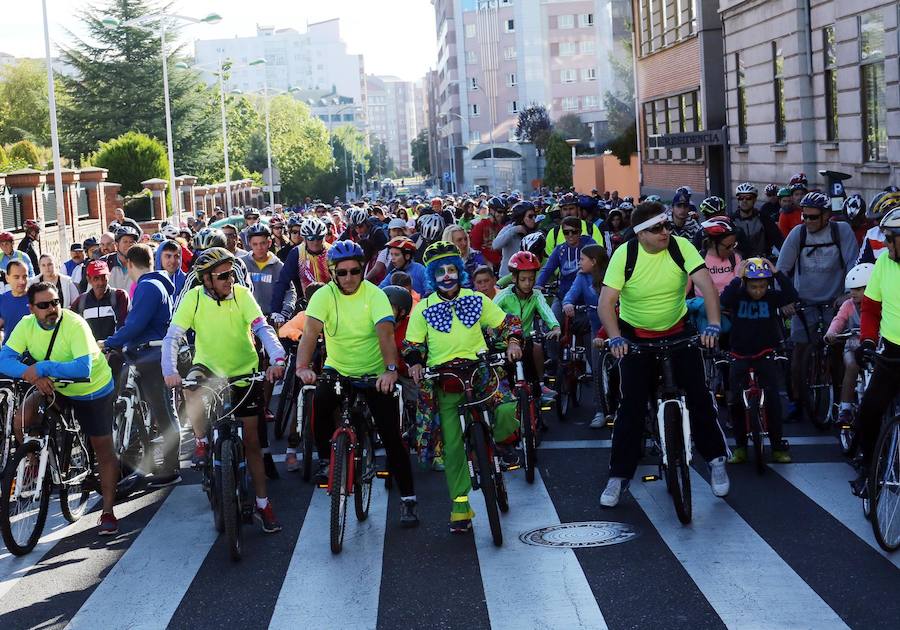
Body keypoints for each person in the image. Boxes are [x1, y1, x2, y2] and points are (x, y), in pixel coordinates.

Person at [598, 201, 730, 507]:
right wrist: (616, 338)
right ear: (641, 233)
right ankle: (618, 477)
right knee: (629, 406)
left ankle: (716, 461)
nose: (665, 232)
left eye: (667, 225)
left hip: (678, 331)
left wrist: (712, 325)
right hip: (635, 336)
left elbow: (707, 287)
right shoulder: (625, 254)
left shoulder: (681, 246)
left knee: (699, 396)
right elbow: (606, 304)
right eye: (657, 228)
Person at [161, 247, 286, 533]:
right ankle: (202, 440)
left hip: (244, 371)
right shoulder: (193, 299)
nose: (231, 279)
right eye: (224, 276)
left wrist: (277, 358)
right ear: (207, 280)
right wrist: (170, 372)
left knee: (252, 443)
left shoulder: (242, 295)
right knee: (190, 385)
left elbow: (262, 328)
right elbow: (173, 336)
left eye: (232, 273)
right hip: (208, 368)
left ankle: (264, 505)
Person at [296, 240, 419, 528]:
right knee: (320, 401)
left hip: (374, 373)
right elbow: (310, 334)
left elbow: (386, 337)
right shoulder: (323, 296)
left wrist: (390, 370)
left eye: (354, 271)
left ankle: (409, 499)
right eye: (342, 273)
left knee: (391, 436)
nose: (349, 278)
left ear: (362, 270)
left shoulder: (374, 295)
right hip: (338, 368)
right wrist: (302, 367)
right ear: (333, 272)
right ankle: (328, 458)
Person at [404, 241, 522, 533]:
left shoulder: (477, 299)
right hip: (445, 382)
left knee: (507, 409)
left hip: (481, 373)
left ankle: (502, 445)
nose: (447, 276)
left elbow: (507, 324)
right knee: (453, 448)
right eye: (440, 271)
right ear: (432, 275)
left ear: (459, 271)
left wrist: (514, 342)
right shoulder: (423, 309)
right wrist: (416, 363)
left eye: (452, 269)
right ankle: (460, 506)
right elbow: (412, 346)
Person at [0, 283, 119, 535]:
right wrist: (29, 374)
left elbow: (82, 369)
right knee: (23, 417)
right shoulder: (26, 325)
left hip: (92, 389)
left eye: (55, 303)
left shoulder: (74, 325)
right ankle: (33, 459)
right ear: (31, 308)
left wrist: (42, 368)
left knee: (103, 449)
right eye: (44, 305)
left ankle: (108, 511)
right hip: (58, 388)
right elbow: (4, 359)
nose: (52, 309)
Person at [776, 191, 858, 424]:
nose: (807, 222)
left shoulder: (841, 232)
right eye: (805, 216)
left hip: (835, 301)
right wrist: (787, 300)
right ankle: (797, 401)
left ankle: (842, 398)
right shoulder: (798, 234)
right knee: (799, 352)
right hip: (805, 300)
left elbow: (853, 264)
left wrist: (847, 295)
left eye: (813, 217)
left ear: (826, 216)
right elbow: (782, 270)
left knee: (837, 350)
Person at [103, 244, 180, 487]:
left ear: (128, 264)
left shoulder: (147, 286)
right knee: (162, 410)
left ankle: (169, 468)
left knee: (163, 412)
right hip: (153, 354)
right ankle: (160, 462)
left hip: (152, 356)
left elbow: (136, 324)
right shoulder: (157, 283)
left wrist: (111, 341)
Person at [720, 258, 797, 464]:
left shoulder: (771, 297)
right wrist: (737, 278)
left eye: (762, 286)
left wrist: (777, 273)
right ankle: (741, 447)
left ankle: (777, 446)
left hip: (765, 352)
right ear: (746, 283)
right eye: (753, 286)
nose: (758, 291)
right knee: (736, 401)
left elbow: (792, 295)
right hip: (739, 353)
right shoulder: (737, 295)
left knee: (772, 400)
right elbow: (724, 300)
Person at [850, 208, 900, 496]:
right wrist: (867, 341)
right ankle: (870, 470)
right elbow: (870, 307)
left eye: (891, 238)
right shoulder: (884, 263)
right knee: (868, 413)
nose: (886, 243)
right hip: (891, 350)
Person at [494, 251, 561, 400]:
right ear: (514, 278)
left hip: (525, 341)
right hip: (504, 344)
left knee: (533, 376)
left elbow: (546, 311)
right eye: (523, 279)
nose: (528, 283)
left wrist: (555, 327)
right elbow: (489, 315)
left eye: (531, 279)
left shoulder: (536, 296)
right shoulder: (504, 296)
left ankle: (538, 395)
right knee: (507, 380)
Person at [564, 244, 609, 427]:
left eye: (582, 259)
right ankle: (600, 411)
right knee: (597, 369)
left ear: (594, 261)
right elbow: (571, 294)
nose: (579, 262)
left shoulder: (611, 275)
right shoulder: (581, 277)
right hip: (595, 328)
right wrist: (567, 303)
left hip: (616, 327)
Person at [824, 263, 874, 428]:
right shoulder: (848, 305)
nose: (853, 293)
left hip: (873, 349)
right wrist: (832, 333)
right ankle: (845, 408)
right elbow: (839, 321)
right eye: (852, 289)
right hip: (852, 347)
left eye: (859, 289)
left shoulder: (880, 304)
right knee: (851, 366)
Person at [537, 216, 597, 321]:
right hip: (563, 296)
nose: (570, 235)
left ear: (580, 232)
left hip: (587, 298)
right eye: (566, 232)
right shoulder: (559, 250)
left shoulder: (590, 245)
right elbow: (547, 269)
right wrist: (538, 285)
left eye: (574, 232)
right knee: (552, 323)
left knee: (594, 328)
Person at [270, 217, 330, 318]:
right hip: (306, 305)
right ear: (304, 238)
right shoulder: (296, 253)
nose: (315, 242)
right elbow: (283, 281)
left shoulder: (332, 252)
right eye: (311, 238)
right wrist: (276, 310)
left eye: (319, 238)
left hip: (330, 302)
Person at [70, 260, 130, 341]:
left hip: (114, 350)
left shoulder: (120, 296)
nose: (101, 282)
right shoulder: (81, 301)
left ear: (108, 277)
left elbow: (124, 327)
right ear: (89, 279)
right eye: (96, 278)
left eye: (103, 277)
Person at [731, 182, 783, 259]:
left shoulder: (763, 218)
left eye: (748, 198)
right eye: (741, 198)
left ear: (754, 199)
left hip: (762, 263)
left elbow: (778, 240)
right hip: (739, 264)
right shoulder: (731, 221)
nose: (744, 201)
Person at [544, 193, 604, 258]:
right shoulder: (553, 233)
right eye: (565, 209)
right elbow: (549, 259)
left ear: (578, 209)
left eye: (571, 208)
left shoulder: (591, 228)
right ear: (561, 212)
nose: (568, 212)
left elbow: (599, 253)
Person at [696, 217, 742, 298]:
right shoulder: (698, 259)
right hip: (704, 305)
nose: (732, 250)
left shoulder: (735, 258)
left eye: (734, 245)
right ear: (713, 243)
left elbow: (739, 286)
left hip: (729, 305)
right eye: (728, 247)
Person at [493, 201, 540, 274]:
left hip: (527, 277)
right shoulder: (510, 228)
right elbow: (495, 245)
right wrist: (514, 230)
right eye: (530, 216)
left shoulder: (535, 232)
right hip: (507, 276)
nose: (533, 219)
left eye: (535, 216)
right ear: (521, 218)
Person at [469, 197, 506, 270]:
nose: (502, 215)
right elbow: (474, 248)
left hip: (500, 265)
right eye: (499, 212)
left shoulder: (503, 227)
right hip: (485, 266)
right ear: (491, 211)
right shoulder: (480, 226)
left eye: (504, 212)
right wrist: (485, 262)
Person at [0, 261, 30, 345]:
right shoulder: (2, 299)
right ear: (7, 278)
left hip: (35, 352)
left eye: (25, 277)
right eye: (16, 277)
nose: (22, 281)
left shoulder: (37, 298)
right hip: (10, 352)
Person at [103, 225, 140, 291]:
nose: (129, 245)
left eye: (132, 242)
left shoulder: (141, 264)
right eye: (125, 241)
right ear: (116, 245)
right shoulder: (105, 263)